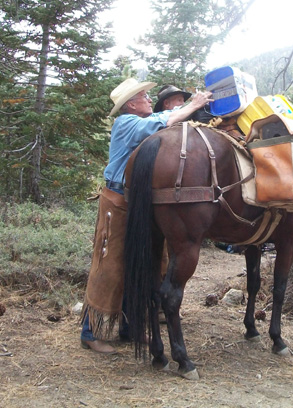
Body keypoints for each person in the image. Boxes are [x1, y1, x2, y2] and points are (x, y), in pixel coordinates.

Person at [81, 78, 213, 354]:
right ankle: (89, 332)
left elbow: (166, 118)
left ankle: (130, 327)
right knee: (110, 264)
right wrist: (194, 104)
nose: (148, 99)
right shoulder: (126, 123)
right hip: (117, 200)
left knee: (138, 263)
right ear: (131, 104)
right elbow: (163, 122)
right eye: (143, 96)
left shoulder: (144, 119)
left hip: (137, 201)